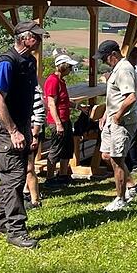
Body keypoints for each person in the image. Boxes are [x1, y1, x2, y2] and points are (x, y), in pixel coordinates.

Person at [0, 21, 42, 249]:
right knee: (14, 177)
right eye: (36, 37)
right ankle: (16, 231)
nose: (39, 41)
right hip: (5, 128)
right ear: (23, 38)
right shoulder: (6, 62)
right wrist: (13, 131)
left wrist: (28, 125)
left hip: (21, 124)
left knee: (14, 176)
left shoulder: (28, 61)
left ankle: (1, 222)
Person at [95, 40, 137, 212]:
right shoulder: (117, 69)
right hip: (112, 119)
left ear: (113, 55)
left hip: (122, 122)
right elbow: (115, 97)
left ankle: (120, 199)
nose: (103, 62)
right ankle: (132, 185)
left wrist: (117, 116)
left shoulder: (124, 70)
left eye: (104, 58)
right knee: (107, 156)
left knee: (117, 158)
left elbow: (130, 97)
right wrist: (107, 114)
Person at [43, 54, 79, 188]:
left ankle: (63, 175)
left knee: (67, 149)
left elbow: (64, 101)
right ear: (62, 66)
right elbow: (51, 104)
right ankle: (50, 178)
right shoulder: (52, 81)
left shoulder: (61, 81)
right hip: (57, 121)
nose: (71, 69)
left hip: (65, 119)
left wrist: (78, 106)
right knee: (56, 149)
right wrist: (58, 123)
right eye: (69, 66)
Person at [24, 85, 46, 209]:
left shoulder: (33, 89)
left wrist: (35, 135)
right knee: (25, 167)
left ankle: (35, 200)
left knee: (29, 167)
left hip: (31, 132)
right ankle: (26, 192)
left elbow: (40, 113)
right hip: (24, 131)